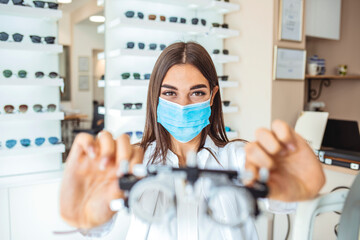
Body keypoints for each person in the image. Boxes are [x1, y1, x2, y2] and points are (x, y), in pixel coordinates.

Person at [60, 42, 325, 239]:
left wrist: (297, 191)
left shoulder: (241, 158)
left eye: (197, 93)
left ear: (212, 97)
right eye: (170, 93)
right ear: (155, 97)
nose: (183, 104)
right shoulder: (133, 163)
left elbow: (281, 200)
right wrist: (89, 221)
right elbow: (97, 221)